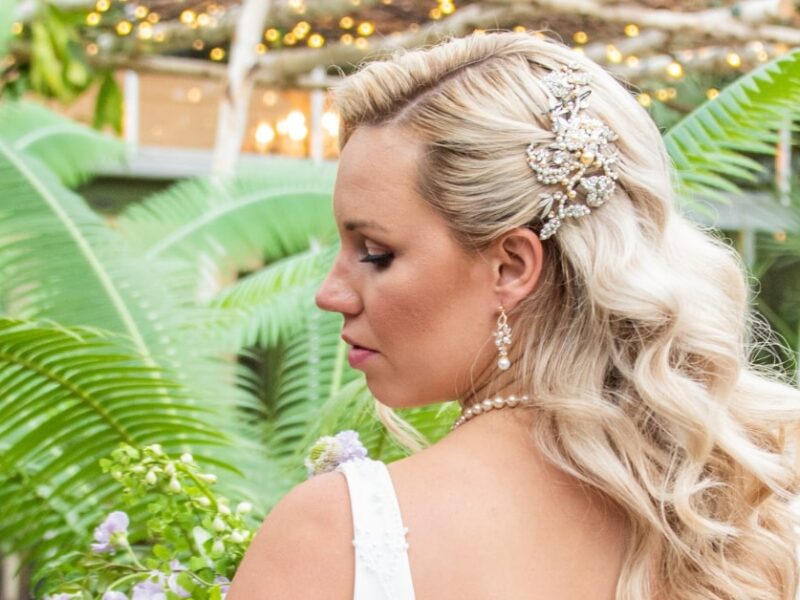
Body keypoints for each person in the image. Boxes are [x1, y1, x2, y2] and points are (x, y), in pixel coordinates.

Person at [229, 31, 800, 599]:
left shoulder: (337, 538)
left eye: (375, 255)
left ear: (510, 266)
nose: (331, 293)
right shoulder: (757, 521)